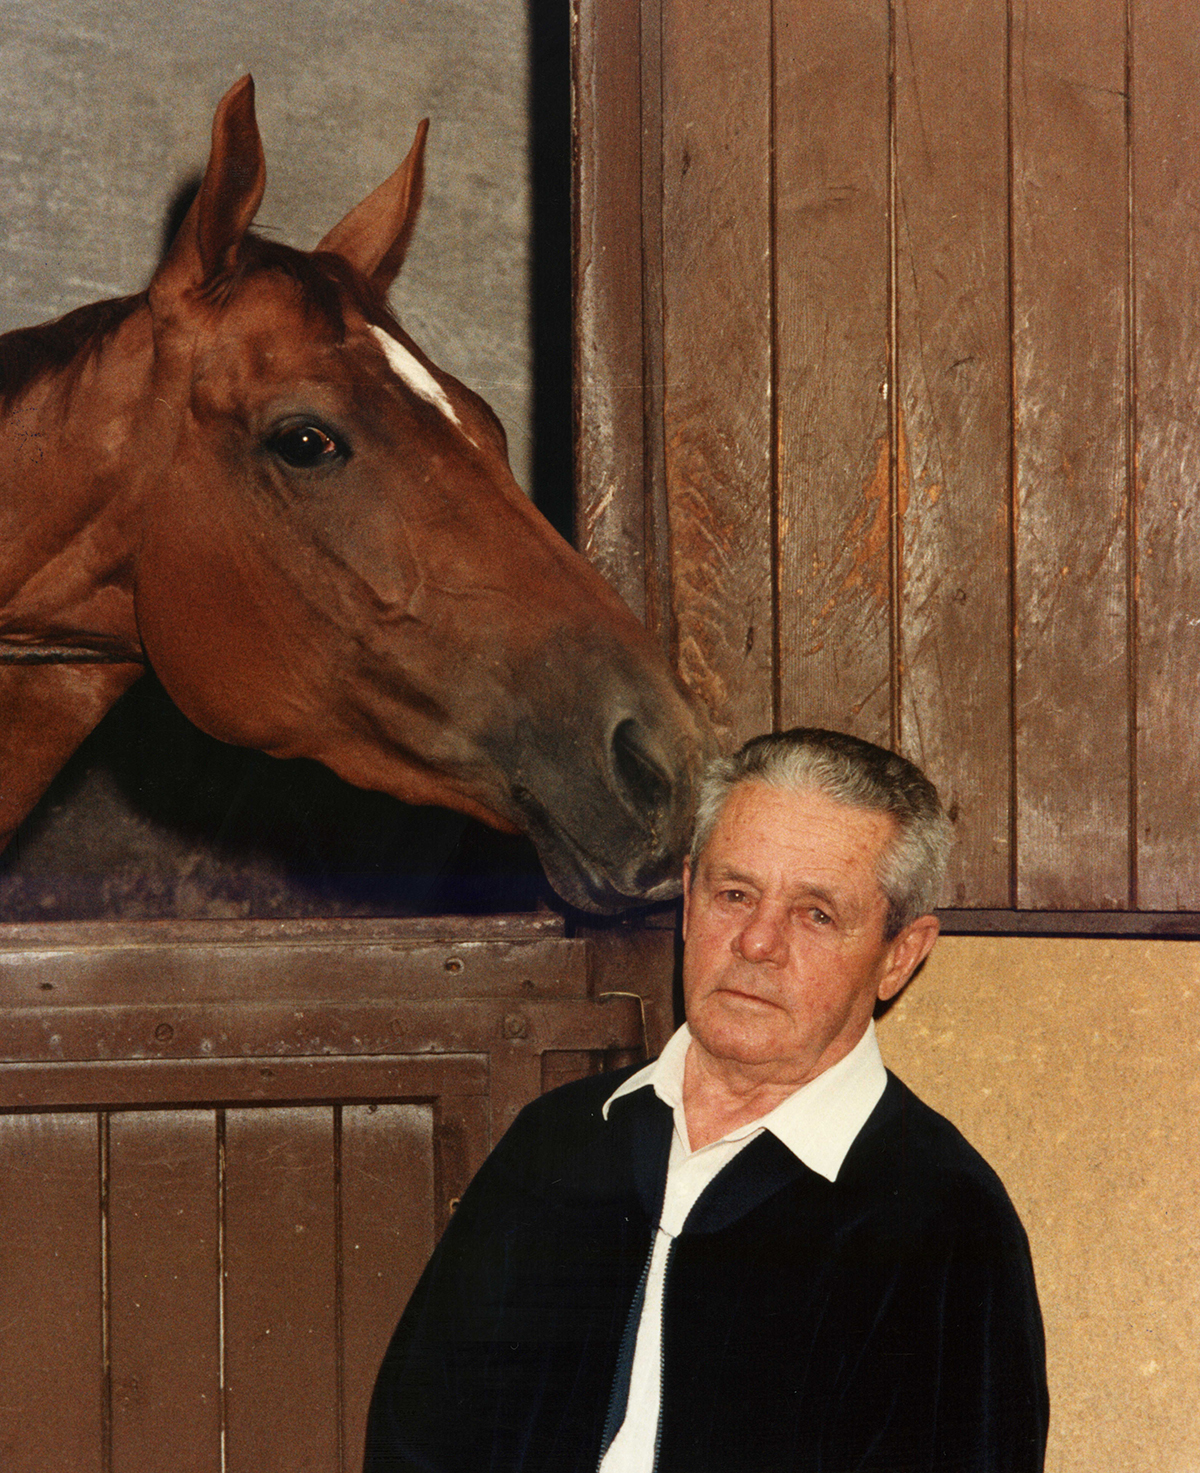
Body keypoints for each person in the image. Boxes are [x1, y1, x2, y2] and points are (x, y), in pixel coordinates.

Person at [363, 728, 1049, 1473]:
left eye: (816, 913)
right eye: (735, 893)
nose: (757, 941)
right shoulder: (558, 1146)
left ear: (900, 954)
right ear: (689, 899)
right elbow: (414, 1444)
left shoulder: (942, 1223)